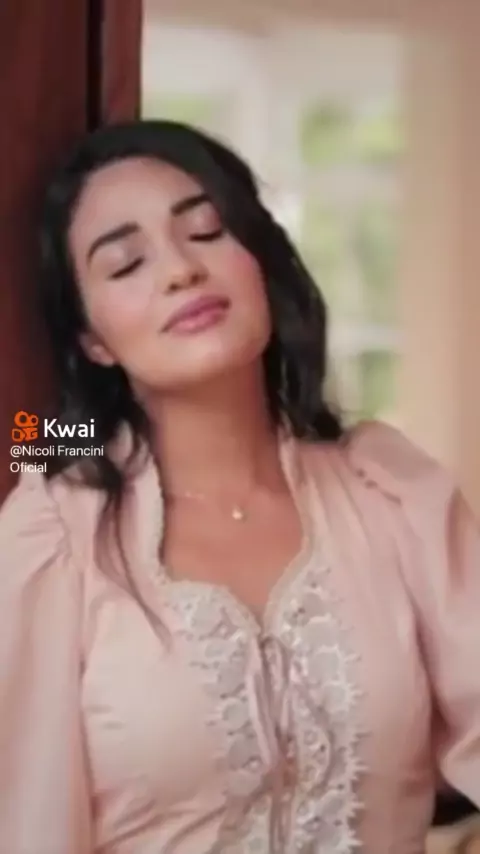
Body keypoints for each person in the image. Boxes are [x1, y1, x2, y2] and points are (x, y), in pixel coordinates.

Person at [0, 120, 479, 854]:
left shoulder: (390, 490)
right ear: (93, 340)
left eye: (207, 231)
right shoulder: (54, 534)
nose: (180, 270)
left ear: (260, 259)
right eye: (126, 265)